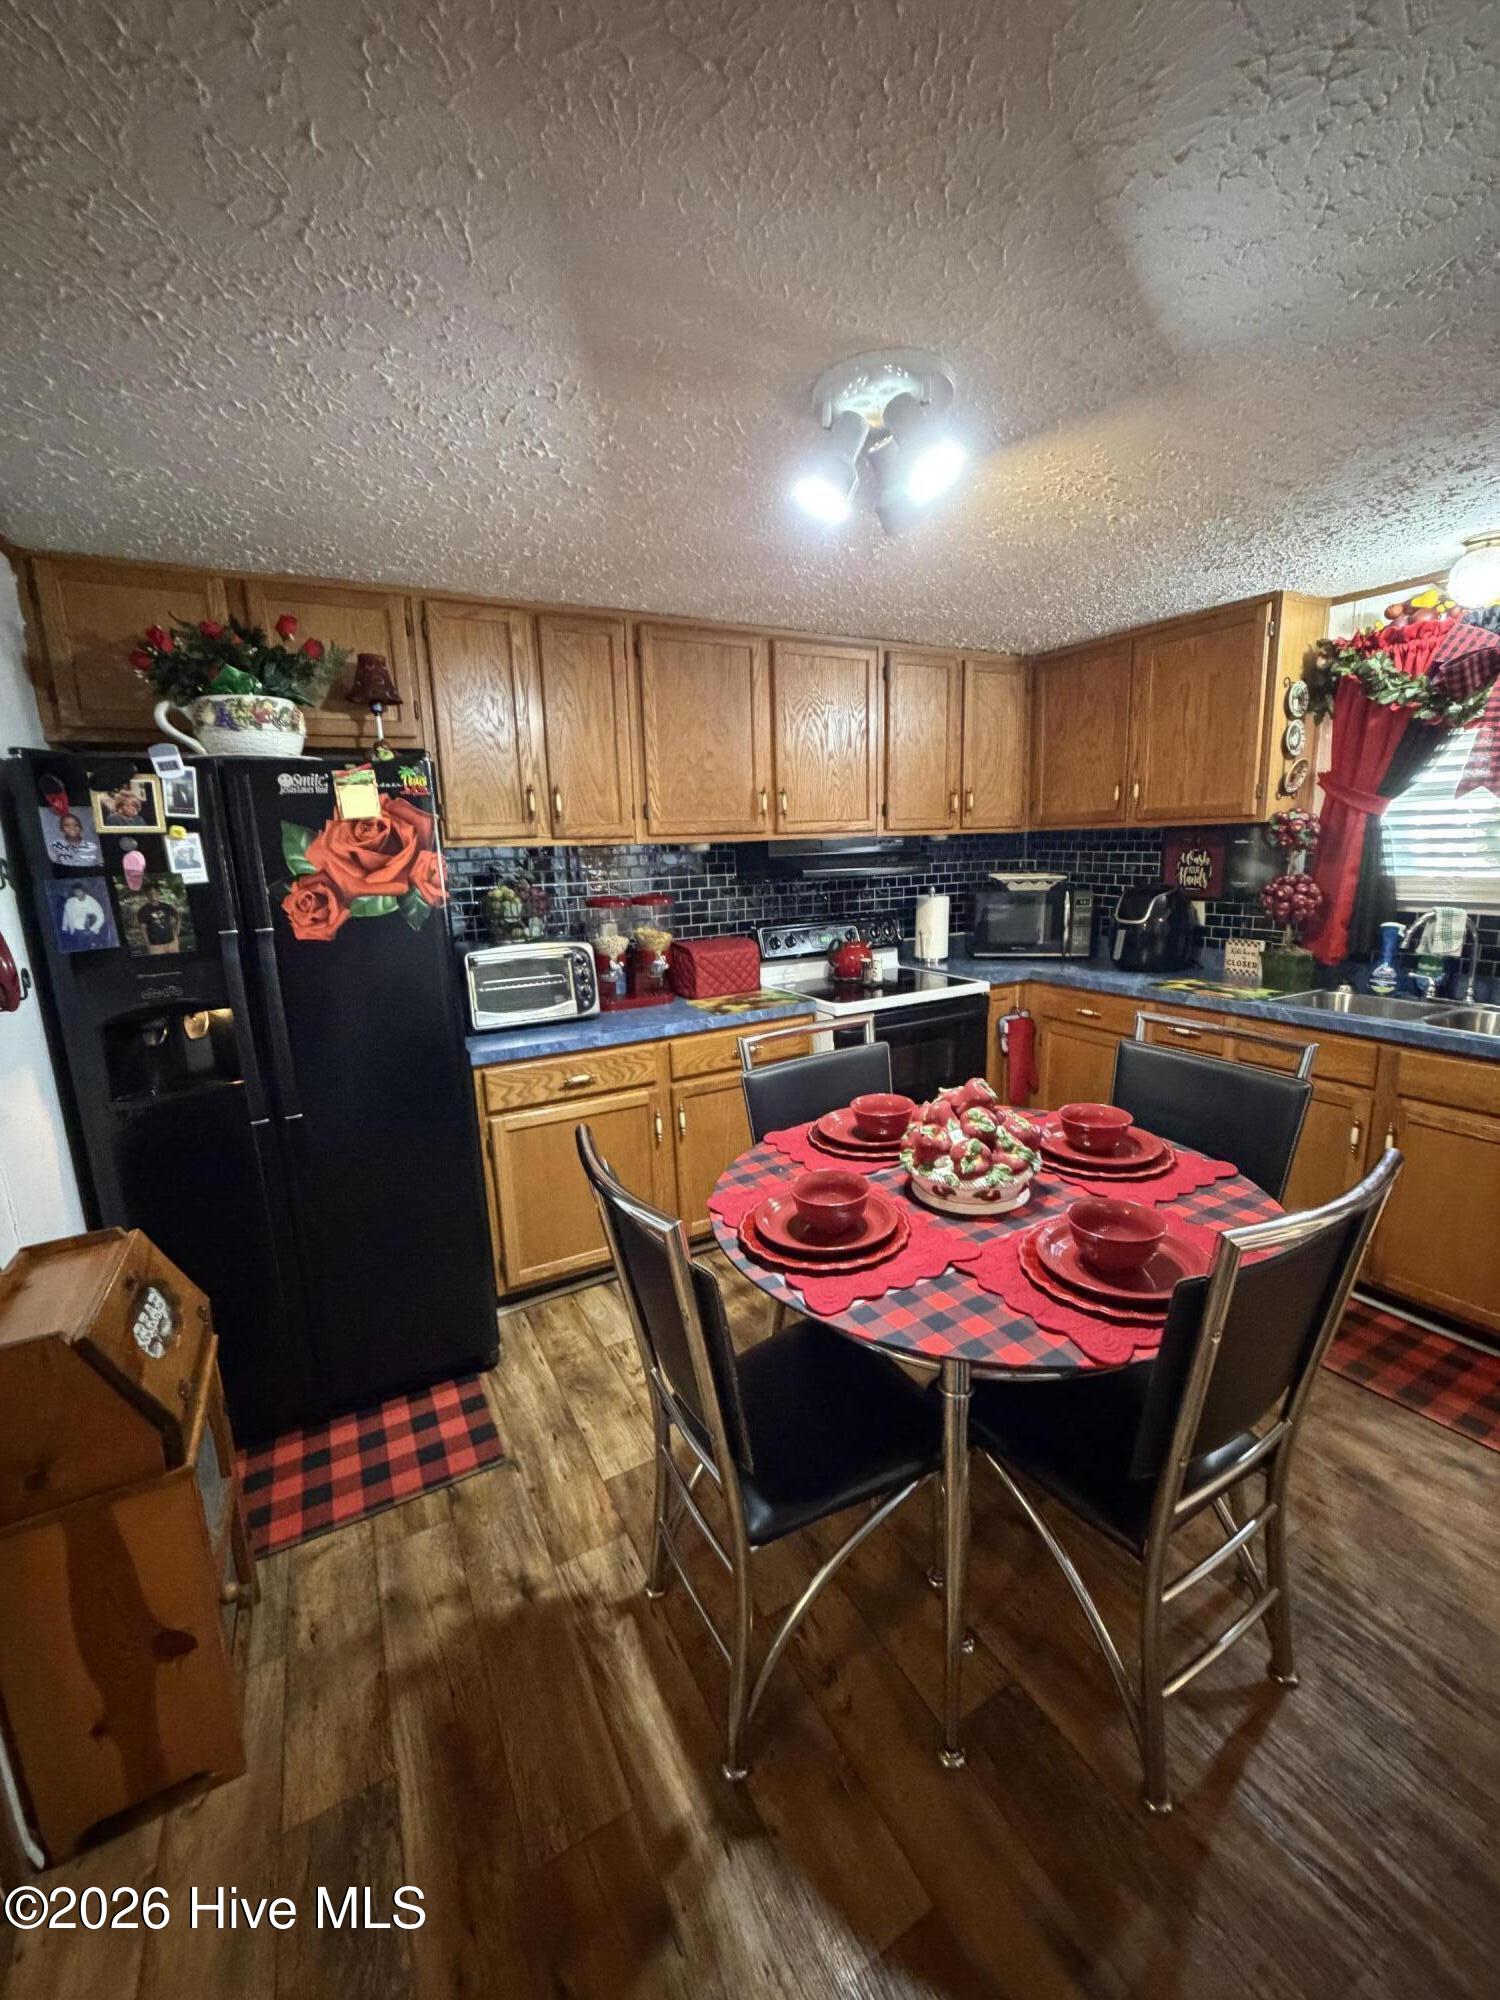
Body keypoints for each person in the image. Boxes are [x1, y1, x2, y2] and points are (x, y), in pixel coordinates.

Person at [140, 889, 182, 955]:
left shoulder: (166, 906)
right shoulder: (143, 910)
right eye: (150, 893)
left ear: (158, 893)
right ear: (147, 895)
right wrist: (147, 943)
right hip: (155, 946)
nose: (153, 895)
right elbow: (143, 928)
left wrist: (177, 930)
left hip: (172, 943)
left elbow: (177, 916)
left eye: (155, 892)